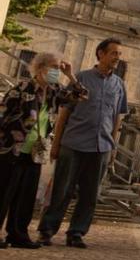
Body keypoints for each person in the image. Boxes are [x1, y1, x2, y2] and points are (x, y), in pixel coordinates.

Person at [38, 38, 129, 248]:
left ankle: (77, 232)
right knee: (62, 190)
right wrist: (56, 144)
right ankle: (47, 230)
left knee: (90, 193)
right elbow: (65, 112)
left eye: (119, 54)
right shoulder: (81, 78)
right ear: (101, 54)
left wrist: (113, 146)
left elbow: (117, 118)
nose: (117, 58)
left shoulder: (119, 85)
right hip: (73, 143)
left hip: (101, 146)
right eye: (114, 53)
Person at [0, 52, 86, 249]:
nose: (56, 71)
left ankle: (18, 234)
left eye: (58, 68)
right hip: (13, 148)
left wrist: (70, 75)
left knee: (26, 196)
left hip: (35, 151)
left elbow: (82, 95)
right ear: (40, 68)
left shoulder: (55, 91)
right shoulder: (23, 88)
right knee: (4, 192)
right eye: (53, 67)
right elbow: (3, 115)